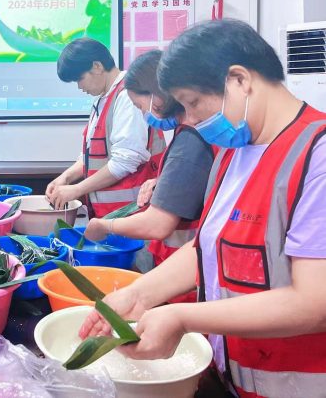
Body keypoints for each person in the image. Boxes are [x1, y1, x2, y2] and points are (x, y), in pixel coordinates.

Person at [80, 20, 326, 398]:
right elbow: (206, 250)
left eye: (193, 102)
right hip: (234, 380)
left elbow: (314, 303)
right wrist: (139, 295)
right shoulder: (234, 152)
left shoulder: (316, 157)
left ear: (239, 80)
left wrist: (181, 317)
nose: (190, 119)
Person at [83, 50, 214, 276]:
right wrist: (161, 182)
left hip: (183, 273)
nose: (143, 113)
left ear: (157, 95)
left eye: (139, 106)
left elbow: (157, 224)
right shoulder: (190, 134)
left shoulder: (189, 143)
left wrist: (105, 225)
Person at [47, 38, 165, 217]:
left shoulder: (127, 95)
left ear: (97, 66)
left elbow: (125, 161)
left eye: (80, 79)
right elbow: (91, 156)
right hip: (111, 215)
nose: (79, 87)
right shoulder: (102, 100)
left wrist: (77, 189)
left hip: (132, 213)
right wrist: (66, 177)